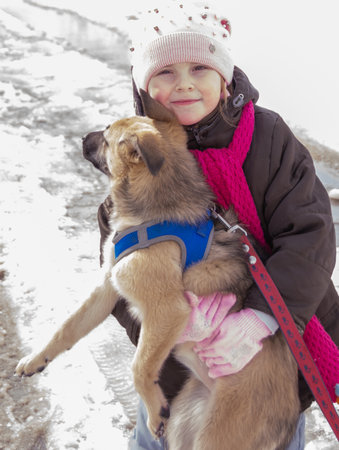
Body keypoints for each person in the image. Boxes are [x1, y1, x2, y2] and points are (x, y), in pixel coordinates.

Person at [95, 2, 339, 449]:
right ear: (143, 88)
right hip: (179, 372)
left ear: (224, 80)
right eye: (165, 72)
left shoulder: (269, 140)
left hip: (273, 368)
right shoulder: (136, 156)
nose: (184, 83)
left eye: (199, 68)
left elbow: (311, 236)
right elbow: (118, 274)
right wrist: (171, 327)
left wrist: (260, 318)